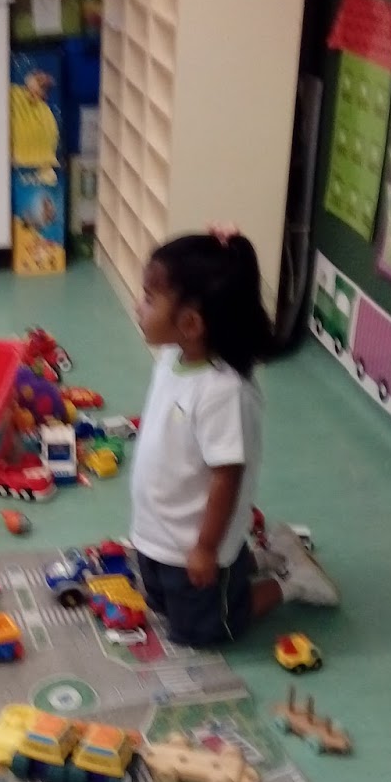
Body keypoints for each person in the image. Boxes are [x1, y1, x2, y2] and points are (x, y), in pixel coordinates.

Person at [131, 229, 338, 648]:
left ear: (191, 324)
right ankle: (257, 562)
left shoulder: (222, 392)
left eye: (149, 299)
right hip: (157, 532)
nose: (139, 306)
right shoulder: (173, 357)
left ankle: (292, 582)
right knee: (161, 603)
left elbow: (227, 476)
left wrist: (206, 549)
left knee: (203, 630)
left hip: (194, 541)